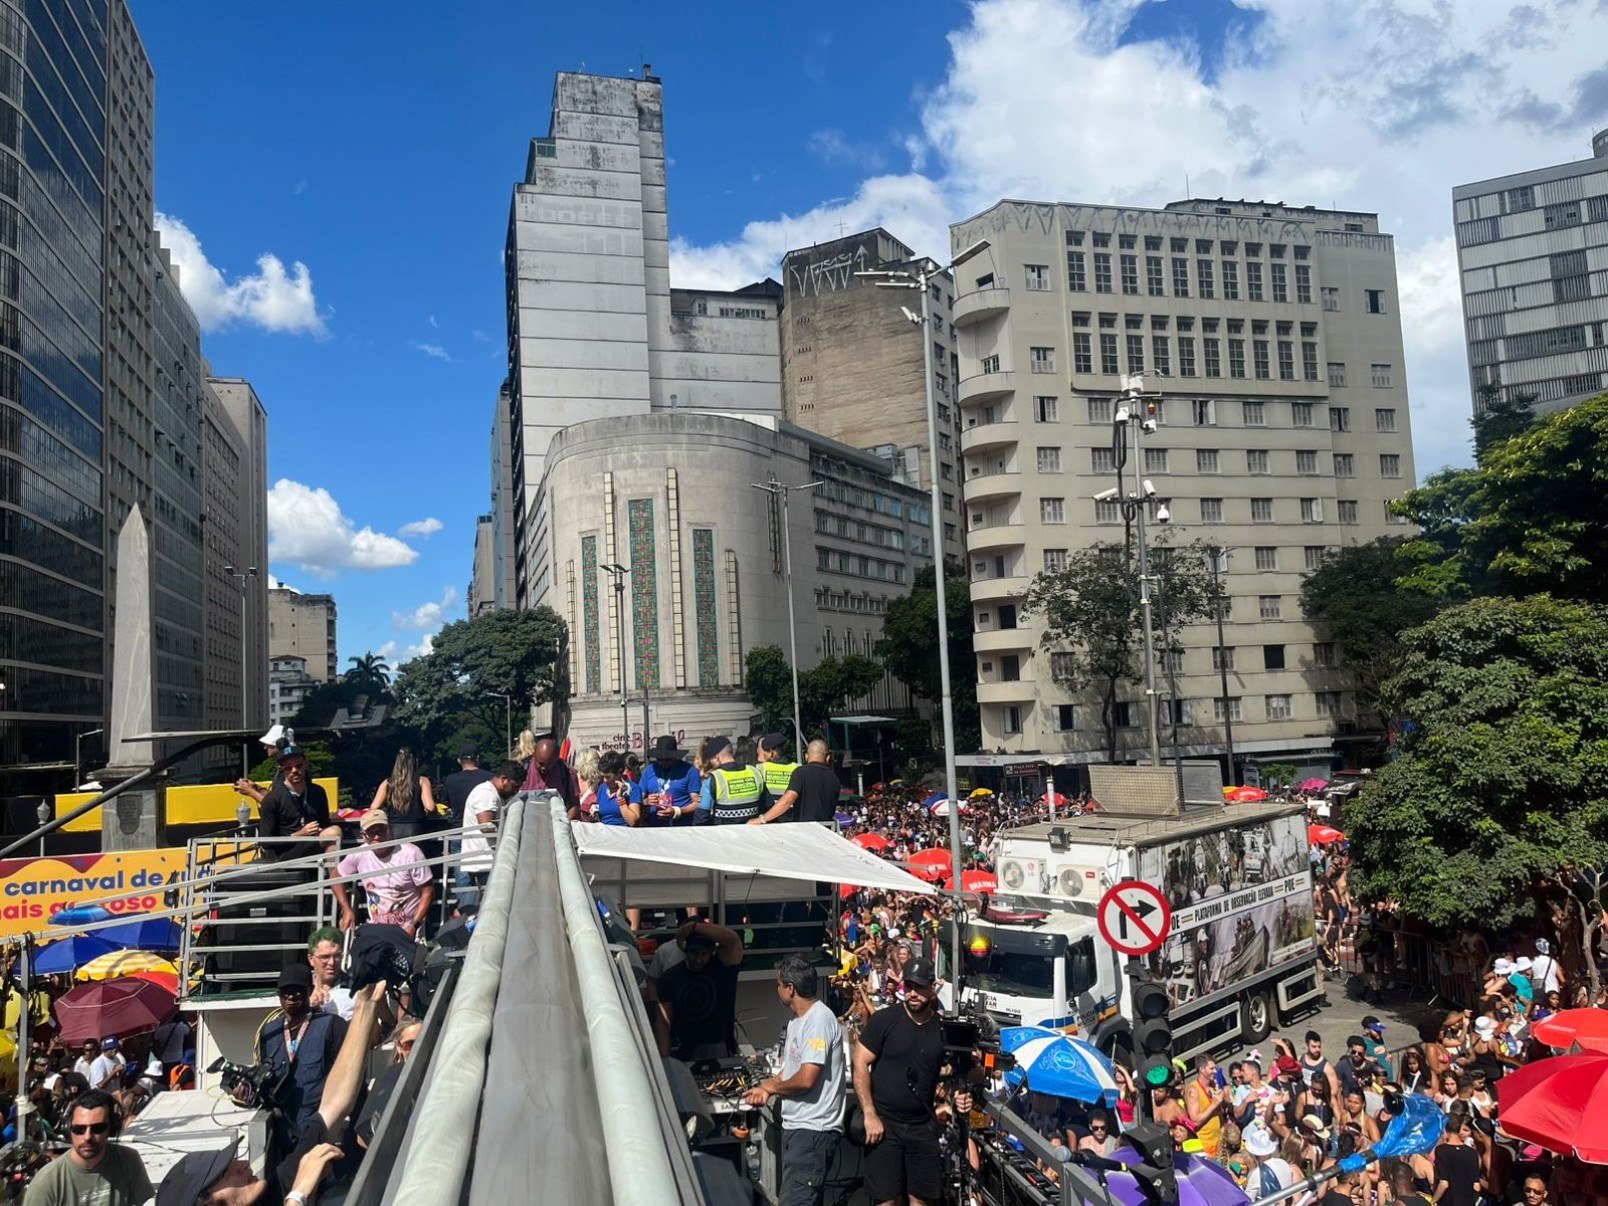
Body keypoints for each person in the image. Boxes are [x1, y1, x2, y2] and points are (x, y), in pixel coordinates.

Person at [156, 983, 388, 1206]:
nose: (243, 1164)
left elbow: (332, 1106)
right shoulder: (290, 1194)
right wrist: (297, 1196)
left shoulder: (273, 1191)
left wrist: (363, 1011)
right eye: (226, 1173)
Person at [742, 954, 846, 1206]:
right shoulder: (798, 1023)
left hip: (812, 1133)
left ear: (790, 988)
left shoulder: (818, 1020)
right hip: (801, 1133)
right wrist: (766, 1088)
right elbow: (790, 1071)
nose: (776, 989)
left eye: (778, 984)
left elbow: (806, 1078)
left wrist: (772, 1087)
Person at [854, 956, 947, 1206]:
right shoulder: (885, 1020)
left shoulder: (942, 1029)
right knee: (886, 1200)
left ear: (932, 987)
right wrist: (870, 1114)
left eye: (919, 987)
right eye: (909, 986)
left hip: (923, 1128)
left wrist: (955, 1097)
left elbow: (957, 1071)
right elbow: (860, 1062)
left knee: (922, 1200)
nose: (913, 993)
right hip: (885, 1125)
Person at [254, 963, 347, 1155]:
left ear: (310, 990)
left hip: (322, 1130)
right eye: (284, 992)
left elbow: (347, 1080)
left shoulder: (332, 1026)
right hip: (284, 1133)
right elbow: (266, 1083)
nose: (290, 997)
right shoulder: (269, 1033)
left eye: (297, 991)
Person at [24, 1090, 152, 1206]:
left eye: (97, 1128)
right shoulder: (46, 1183)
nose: (87, 1137)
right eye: (79, 1129)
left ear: (111, 1129)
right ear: (69, 1130)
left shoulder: (128, 1160)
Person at [331, 812, 435, 935]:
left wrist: (414, 925)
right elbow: (335, 876)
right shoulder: (359, 854)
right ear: (364, 836)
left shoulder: (411, 853)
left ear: (389, 829)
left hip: (408, 929)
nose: (377, 836)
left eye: (381, 830)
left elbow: (428, 891)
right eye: (371, 832)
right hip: (377, 930)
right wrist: (347, 909)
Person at [653, 920, 744, 1060]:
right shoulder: (669, 978)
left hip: (718, 1046)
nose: (698, 959)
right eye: (694, 953)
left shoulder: (722, 967)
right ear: (686, 951)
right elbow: (664, 1021)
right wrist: (664, 1056)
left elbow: (733, 940)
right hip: (684, 1048)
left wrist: (695, 927)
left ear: (711, 952)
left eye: (704, 954)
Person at [456, 761, 522, 910]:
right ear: (503, 779)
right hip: (483, 862)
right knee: (486, 907)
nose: (515, 791)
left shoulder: (490, 792)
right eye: (514, 786)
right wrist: (512, 830)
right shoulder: (486, 794)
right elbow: (486, 826)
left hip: (485, 861)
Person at [257, 748, 340, 864]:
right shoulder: (272, 798)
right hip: (286, 853)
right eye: (288, 768)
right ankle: (335, 880)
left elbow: (325, 823)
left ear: (305, 765)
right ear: (282, 770)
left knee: (334, 835)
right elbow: (265, 842)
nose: (294, 770)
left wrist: (320, 830)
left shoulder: (318, 792)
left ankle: (334, 878)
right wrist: (300, 834)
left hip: (314, 844)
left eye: (298, 765)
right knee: (333, 833)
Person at [753, 739, 840, 825]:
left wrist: (762, 819)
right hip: (826, 831)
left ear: (806, 756)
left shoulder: (801, 773)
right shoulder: (834, 778)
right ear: (827, 757)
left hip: (805, 830)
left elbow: (788, 799)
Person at [369, 747, 438, 840]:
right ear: (415, 762)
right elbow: (430, 807)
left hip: (393, 829)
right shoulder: (422, 781)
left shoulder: (388, 783)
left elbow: (374, 807)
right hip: (415, 828)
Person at [700, 736, 769, 825]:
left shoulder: (714, 778)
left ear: (716, 757)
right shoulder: (755, 772)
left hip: (724, 835)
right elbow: (767, 806)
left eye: (710, 759)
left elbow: (701, 816)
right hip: (752, 834)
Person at [636, 735, 703, 826]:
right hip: (654, 826)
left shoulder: (689, 771)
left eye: (668, 759)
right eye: (660, 759)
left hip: (681, 826)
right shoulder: (649, 770)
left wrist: (677, 811)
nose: (663, 762)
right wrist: (646, 801)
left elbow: (697, 802)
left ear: (675, 757)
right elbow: (637, 799)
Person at [520, 735, 579, 819]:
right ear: (534, 755)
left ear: (556, 758)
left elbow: (575, 805)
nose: (543, 768)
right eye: (540, 763)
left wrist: (564, 823)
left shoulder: (567, 772)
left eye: (549, 764)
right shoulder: (524, 770)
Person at [306, 928, 356, 1021]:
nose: (332, 962)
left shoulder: (353, 988)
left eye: (337, 956)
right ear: (311, 959)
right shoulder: (302, 986)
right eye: (325, 957)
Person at [440, 745, 493, 825]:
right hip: (483, 827)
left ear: (459, 760)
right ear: (477, 759)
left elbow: (446, 802)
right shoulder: (490, 778)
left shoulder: (450, 780)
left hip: (458, 828)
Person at [595, 750, 644, 827]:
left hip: (624, 835)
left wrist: (620, 799)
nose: (604, 780)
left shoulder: (633, 789)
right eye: (602, 776)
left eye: (608, 777)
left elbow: (633, 821)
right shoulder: (602, 788)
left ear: (620, 772)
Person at [755, 732, 800, 803]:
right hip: (793, 813)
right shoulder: (798, 768)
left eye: (764, 751)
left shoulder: (760, 769)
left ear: (771, 752)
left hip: (769, 812)